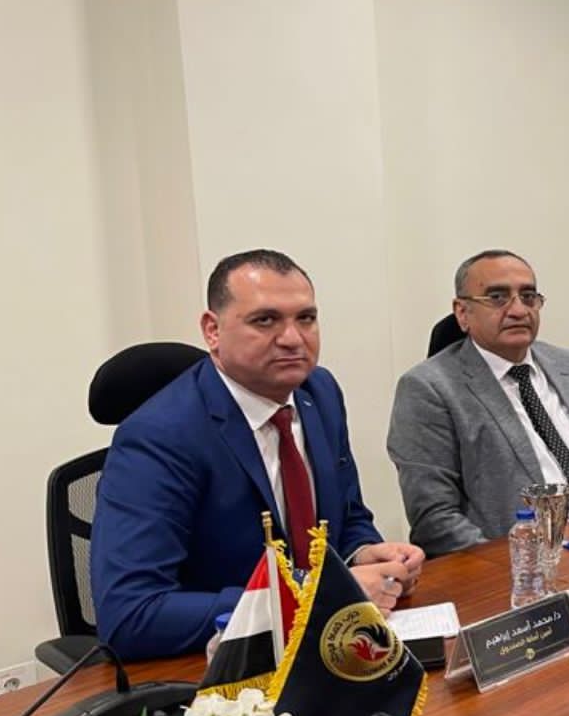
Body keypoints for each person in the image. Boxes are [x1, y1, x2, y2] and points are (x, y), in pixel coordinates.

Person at [91, 250, 423, 660]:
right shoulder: (158, 436)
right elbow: (130, 614)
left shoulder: (318, 392)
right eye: (265, 320)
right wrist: (317, 594)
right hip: (222, 667)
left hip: (326, 649)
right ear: (212, 330)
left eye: (306, 318)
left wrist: (366, 554)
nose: (293, 338)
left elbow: (347, 515)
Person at [386, 250, 569, 555]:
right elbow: (435, 521)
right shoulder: (428, 389)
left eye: (528, 296)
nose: (518, 310)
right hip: (519, 564)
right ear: (462, 313)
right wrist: (526, 565)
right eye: (497, 298)